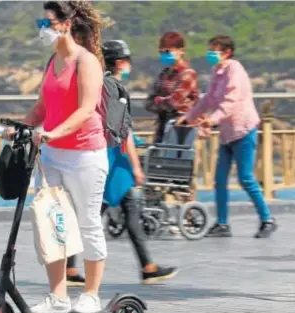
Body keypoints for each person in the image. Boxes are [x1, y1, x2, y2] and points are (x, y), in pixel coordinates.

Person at [3, 1, 109, 313]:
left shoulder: (86, 61)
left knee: (88, 223)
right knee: (52, 223)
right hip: (52, 155)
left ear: (66, 24)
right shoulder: (53, 61)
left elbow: (86, 109)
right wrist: (22, 126)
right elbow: (43, 107)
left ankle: (91, 293)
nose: (43, 28)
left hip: (86, 155)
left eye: (47, 22)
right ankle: (58, 296)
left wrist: (53, 132)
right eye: (41, 22)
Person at [66, 40, 178, 287]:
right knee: (102, 211)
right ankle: (72, 268)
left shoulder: (95, 83)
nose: (129, 65)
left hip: (100, 156)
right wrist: (137, 166)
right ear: (119, 63)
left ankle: (145, 266)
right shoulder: (115, 88)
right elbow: (121, 131)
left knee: (114, 210)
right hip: (112, 160)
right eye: (127, 60)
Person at [176, 35, 278, 239]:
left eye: (214, 49)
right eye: (210, 49)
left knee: (245, 178)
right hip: (227, 133)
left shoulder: (234, 69)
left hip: (243, 130)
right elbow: (209, 99)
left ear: (227, 52)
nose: (210, 53)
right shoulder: (217, 71)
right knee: (219, 179)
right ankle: (222, 224)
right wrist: (189, 117)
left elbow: (232, 101)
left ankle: (267, 219)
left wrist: (212, 120)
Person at [145, 31, 201, 144]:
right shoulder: (163, 74)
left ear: (181, 51)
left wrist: (158, 100)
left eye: (167, 51)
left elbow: (174, 102)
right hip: (162, 125)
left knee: (175, 159)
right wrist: (162, 102)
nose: (164, 55)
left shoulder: (187, 74)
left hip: (180, 127)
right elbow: (148, 103)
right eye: (161, 52)